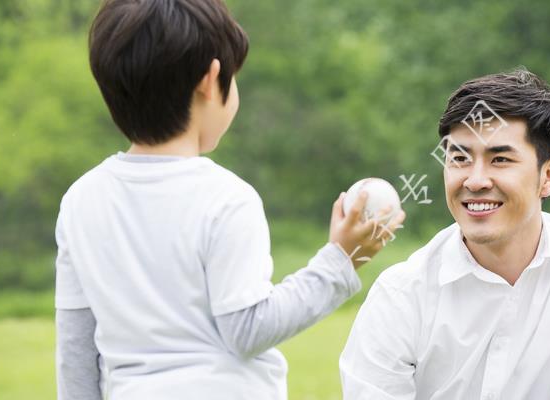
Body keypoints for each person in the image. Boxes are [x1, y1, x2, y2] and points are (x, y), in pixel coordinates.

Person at [54, 0, 406, 399]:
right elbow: (247, 330)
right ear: (211, 79)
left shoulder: (81, 200)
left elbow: (77, 351)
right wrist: (340, 261)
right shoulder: (226, 198)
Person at [339, 68, 550, 400]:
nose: (474, 180)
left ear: (549, 175)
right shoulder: (401, 296)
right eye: (459, 158)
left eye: (499, 159)